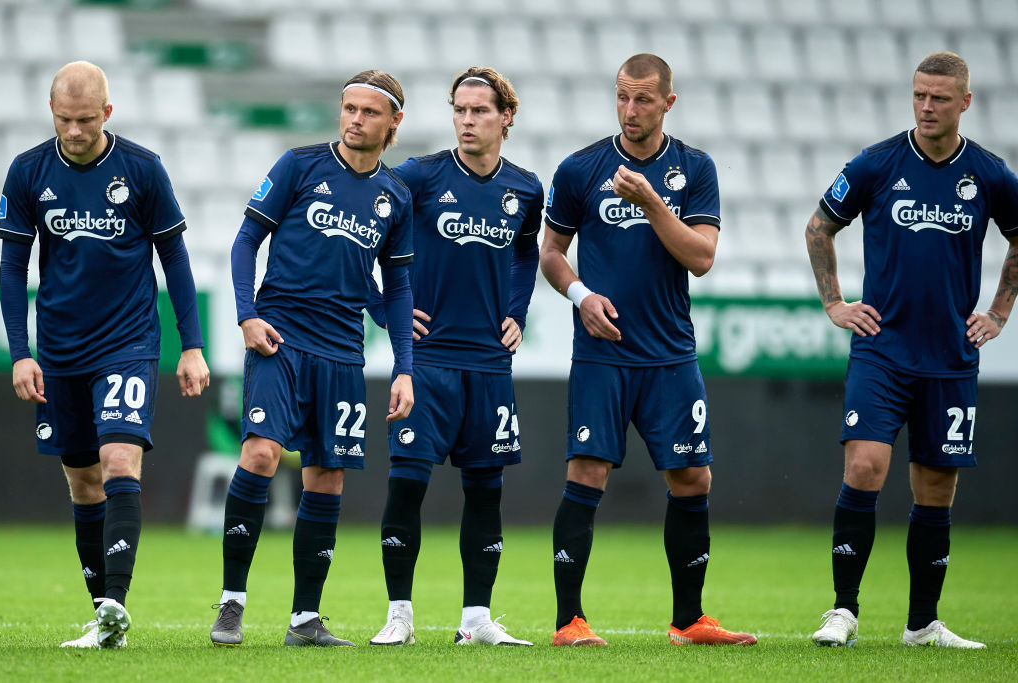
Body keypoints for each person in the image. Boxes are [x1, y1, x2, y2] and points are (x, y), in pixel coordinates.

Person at [539, 53, 756, 647]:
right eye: (622, 96)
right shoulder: (580, 168)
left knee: (692, 477)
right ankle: (568, 621)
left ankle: (689, 621)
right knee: (586, 471)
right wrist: (581, 295)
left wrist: (652, 202)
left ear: (667, 103)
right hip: (602, 354)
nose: (630, 109)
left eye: (642, 99)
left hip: (669, 355)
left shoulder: (695, 168)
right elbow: (551, 253)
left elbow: (702, 258)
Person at [806, 52, 1018, 649]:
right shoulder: (877, 163)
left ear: (965, 102)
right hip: (883, 350)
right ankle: (843, 611)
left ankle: (922, 624)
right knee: (864, 466)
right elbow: (819, 226)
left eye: (939, 98)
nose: (926, 107)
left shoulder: (990, 174)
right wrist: (834, 303)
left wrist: (999, 311)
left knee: (937, 488)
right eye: (919, 95)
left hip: (950, 356)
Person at [0, 61, 210, 649]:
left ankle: (117, 598)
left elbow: (175, 259)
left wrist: (192, 345)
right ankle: (103, 618)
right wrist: (22, 353)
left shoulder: (142, 169)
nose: (74, 131)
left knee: (119, 461)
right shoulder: (27, 171)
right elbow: (12, 267)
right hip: (59, 349)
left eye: (86, 120)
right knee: (84, 482)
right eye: (64, 119)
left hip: (127, 342)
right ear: (52, 112)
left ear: (107, 113)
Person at [208, 70, 415, 648]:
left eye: (369, 112)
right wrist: (247, 315)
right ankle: (231, 602)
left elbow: (397, 286)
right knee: (261, 453)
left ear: (394, 122)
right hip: (280, 337)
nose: (355, 120)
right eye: (349, 108)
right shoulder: (299, 165)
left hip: (344, 352)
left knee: (327, 476)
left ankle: (305, 618)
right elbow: (245, 241)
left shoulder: (396, 197)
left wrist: (405, 368)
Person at [365, 67, 542, 647]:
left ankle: (476, 620)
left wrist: (517, 310)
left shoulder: (525, 188)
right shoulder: (419, 176)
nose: (467, 121)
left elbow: (526, 254)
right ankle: (399, 616)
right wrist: (382, 306)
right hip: (426, 362)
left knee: (486, 491)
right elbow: (361, 229)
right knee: (406, 486)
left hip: (489, 366)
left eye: (479, 111)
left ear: (506, 117)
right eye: (459, 110)